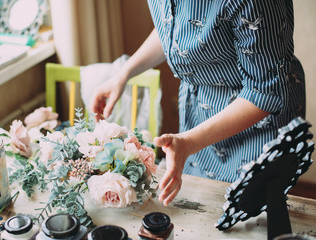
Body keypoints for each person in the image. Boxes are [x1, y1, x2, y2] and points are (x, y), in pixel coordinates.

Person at [89, 0, 305, 206]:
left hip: (257, 120)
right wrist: (123, 73)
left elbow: (265, 90)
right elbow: (174, 27)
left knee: (253, 218)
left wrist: (189, 142)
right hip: (199, 112)